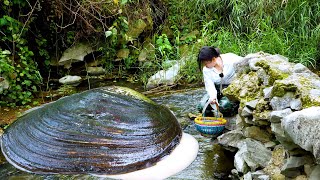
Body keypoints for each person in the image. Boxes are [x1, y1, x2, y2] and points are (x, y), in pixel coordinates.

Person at [197, 46, 242, 117]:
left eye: (206, 63)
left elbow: (245, 63)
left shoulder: (231, 59)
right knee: (202, 106)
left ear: (214, 59)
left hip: (232, 88)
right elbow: (209, 85)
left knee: (224, 106)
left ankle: (234, 109)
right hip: (217, 88)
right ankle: (211, 119)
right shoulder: (206, 70)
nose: (205, 66)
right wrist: (213, 97)